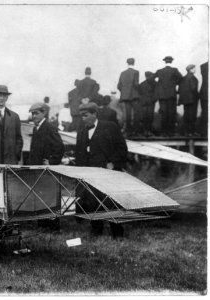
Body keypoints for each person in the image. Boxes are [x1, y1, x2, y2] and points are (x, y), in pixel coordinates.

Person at [75, 102, 128, 238]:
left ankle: (117, 231)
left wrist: (113, 163)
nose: (83, 119)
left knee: (111, 202)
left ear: (94, 114)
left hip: (107, 173)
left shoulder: (110, 127)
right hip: (90, 173)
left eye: (86, 115)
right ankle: (96, 229)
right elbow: (79, 153)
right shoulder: (81, 131)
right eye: (81, 116)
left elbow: (122, 148)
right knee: (92, 201)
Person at [154, 56, 183, 136]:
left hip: (162, 96)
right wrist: (175, 84)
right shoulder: (174, 70)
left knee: (163, 113)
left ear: (165, 62)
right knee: (171, 113)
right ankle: (171, 131)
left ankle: (164, 131)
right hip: (171, 95)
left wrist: (159, 85)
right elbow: (181, 78)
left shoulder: (159, 71)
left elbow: (153, 78)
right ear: (171, 61)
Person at [117, 58, 141, 136]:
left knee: (127, 114)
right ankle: (136, 131)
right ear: (134, 63)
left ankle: (128, 131)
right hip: (134, 96)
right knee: (136, 114)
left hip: (125, 96)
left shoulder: (122, 73)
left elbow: (119, 86)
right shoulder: (136, 72)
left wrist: (124, 92)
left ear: (127, 63)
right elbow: (136, 84)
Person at [178, 64, 200, 136]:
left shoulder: (183, 78)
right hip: (193, 99)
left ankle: (186, 132)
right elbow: (194, 89)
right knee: (192, 116)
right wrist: (198, 96)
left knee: (186, 115)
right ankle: (191, 132)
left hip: (185, 100)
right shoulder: (193, 78)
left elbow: (180, 89)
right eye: (194, 68)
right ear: (190, 70)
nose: (195, 70)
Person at [139, 71, 156, 137]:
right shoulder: (154, 84)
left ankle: (145, 131)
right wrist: (154, 100)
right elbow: (156, 93)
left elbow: (139, 94)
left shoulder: (141, 84)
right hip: (150, 103)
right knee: (150, 117)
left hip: (144, 103)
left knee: (145, 117)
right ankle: (148, 131)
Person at [199, 62, 208, 137]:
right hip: (206, 93)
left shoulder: (203, 66)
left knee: (205, 113)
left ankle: (203, 132)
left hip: (204, 93)